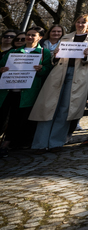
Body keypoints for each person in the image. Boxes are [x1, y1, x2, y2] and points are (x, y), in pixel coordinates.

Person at [30, 15, 88, 151]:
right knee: (49, 107)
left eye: (83, 22)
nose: (80, 25)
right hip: (59, 74)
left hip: (78, 75)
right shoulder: (66, 36)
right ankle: (40, 144)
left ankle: (56, 143)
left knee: (66, 108)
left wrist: (87, 56)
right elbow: (54, 58)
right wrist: (55, 56)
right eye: (78, 22)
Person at [0, 27, 52, 156]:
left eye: (33, 35)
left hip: (27, 92)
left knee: (16, 119)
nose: (29, 37)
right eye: (28, 35)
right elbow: (1, 64)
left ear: (40, 37)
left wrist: (42, 69)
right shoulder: (14, 51)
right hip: (8, 90)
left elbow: (48, 70)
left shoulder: (44, 53)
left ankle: (6, 144)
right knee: (1, 117)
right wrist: (2, 69)